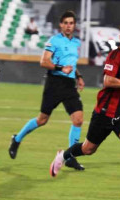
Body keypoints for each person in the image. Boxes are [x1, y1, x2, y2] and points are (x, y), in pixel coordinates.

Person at [49, 21, 120, 200]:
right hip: (104, 113)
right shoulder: (115, 56)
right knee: (88, 149)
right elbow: (108, 81)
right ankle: (63, 156)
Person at [8, 11, 86, 171]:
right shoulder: (54, 41)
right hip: (54, 83)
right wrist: (60, 68)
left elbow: (71, 63)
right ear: (61, 25)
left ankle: (70, 157)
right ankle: (17, 139)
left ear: (74, 25)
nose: (68, 26)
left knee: (78, 119)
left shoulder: (76, 43)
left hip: (69, 85)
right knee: (42, 120)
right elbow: (43, 61)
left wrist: (78, 76)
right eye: (66, 23)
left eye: (71, 23)